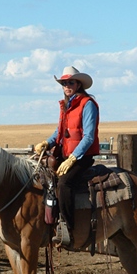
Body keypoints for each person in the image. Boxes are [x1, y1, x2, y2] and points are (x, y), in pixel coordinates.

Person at [35, 66, 100, 245]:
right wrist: (47, 143)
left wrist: (73, 158)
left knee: (64, 184)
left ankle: (68, 228)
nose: (67, 86)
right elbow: (60, 132)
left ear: (79, 84)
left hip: (82, 157)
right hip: (65, 154)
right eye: (64, 83)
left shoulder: (87, 104)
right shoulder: (66, 105)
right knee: (45, 179)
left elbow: (88, 136)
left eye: (70, 82)